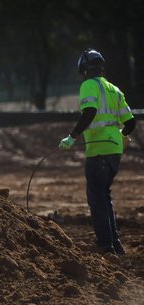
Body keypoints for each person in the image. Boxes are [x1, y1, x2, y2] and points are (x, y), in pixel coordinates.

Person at [58, 49, 136, 255]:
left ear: (84, 70)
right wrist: (121, 135)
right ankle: (115, 243)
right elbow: (130, 123)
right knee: (104, 195)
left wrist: (72, 136)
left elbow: (90, 112)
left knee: (96, 197)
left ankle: (106, 246)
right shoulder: (115, 89)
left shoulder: (88, 85)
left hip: (97, 150)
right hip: (114, 150)